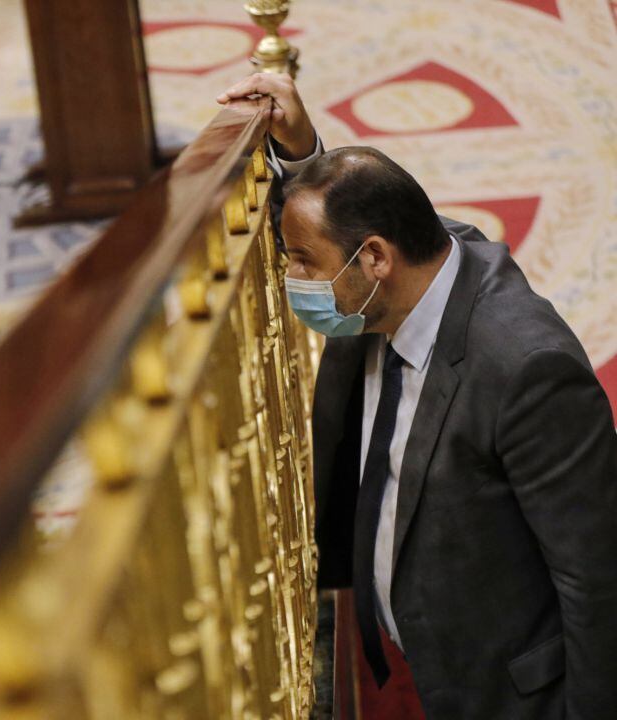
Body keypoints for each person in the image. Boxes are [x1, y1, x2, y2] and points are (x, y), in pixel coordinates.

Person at [218, 74, 617, 719]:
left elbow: (597, 579)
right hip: (421, 648)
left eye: (301, 262)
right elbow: (338, 216)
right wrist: (300, 153)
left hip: (506, 689)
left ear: (373, 258)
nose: (293, 279)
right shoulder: (410, 260)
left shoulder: (527, 370)